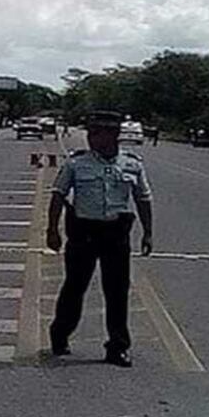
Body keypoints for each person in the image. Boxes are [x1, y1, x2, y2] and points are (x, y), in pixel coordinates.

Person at [46, 111, 154, 367]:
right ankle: (60, 336)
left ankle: (117, 347)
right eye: (91, 133)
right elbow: (58, 195)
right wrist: (52, 230)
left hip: (116, 234)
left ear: (114, 135)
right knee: (74, 288)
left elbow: (143, 199)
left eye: (99, 133)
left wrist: (148, 232)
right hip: (83, 233)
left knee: (117, 292)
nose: (93, 138)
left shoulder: (132, 164)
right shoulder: (76, 164)